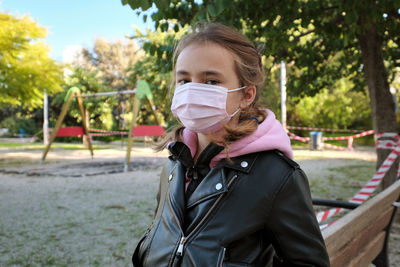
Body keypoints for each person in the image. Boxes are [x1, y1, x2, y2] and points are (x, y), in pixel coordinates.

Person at [132, 22, 330, 267]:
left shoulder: (276, 176)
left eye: (212, 81)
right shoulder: (173, 165)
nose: (193, 90)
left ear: (246, 95)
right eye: (184, 80)